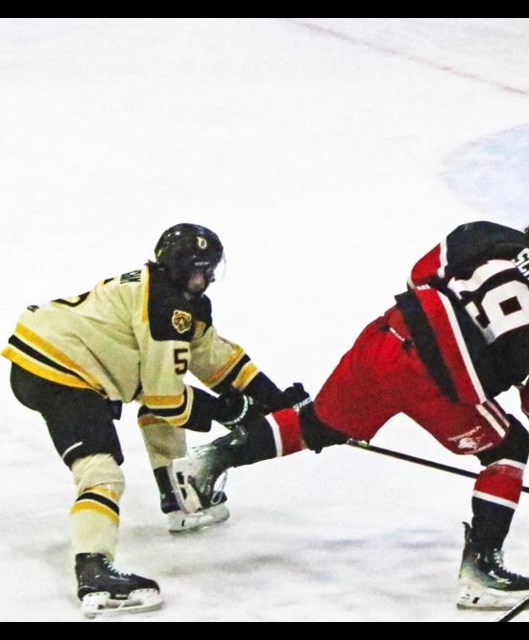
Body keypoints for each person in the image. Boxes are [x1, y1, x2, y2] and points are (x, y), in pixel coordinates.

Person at [169, 198, 529, 610]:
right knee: (510, 448)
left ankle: (203, 465)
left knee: (318, 422)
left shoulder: (484, 234)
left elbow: (418, 276)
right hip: (443, 388)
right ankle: (481, 570)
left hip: (389, 339)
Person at [1, 223, 306, 617]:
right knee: (102, 474)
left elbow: (212, 357)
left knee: (159, 394)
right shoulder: (166, 307)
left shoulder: (175, 297)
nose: (210, 277)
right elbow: (167, 399)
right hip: (57, 371)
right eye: (203, 268)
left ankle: (177, 496)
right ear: (182, 270)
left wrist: (272, 399)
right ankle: (93, 573)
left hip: (55, 354)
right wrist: (229, 411)